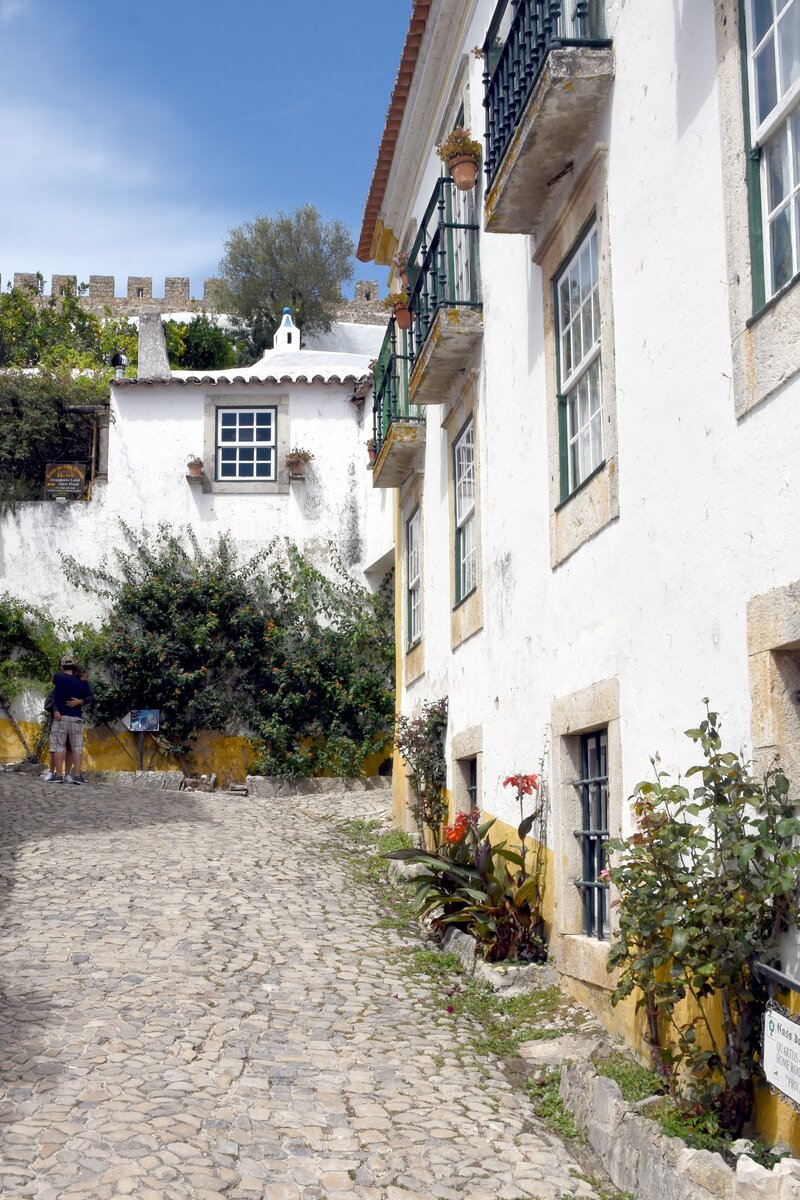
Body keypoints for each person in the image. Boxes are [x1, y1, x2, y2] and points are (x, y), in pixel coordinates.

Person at [48, 657, 93, 784]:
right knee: (77, 748)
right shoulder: (82, 682)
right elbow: (90, 697)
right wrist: (80, 701)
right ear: (74, 667)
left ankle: (58, 775)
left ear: (62, 667)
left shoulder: (58, 678)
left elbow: (55, 694)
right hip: (76, 718)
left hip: (61, 718)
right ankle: (77, 776)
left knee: (58, 746)